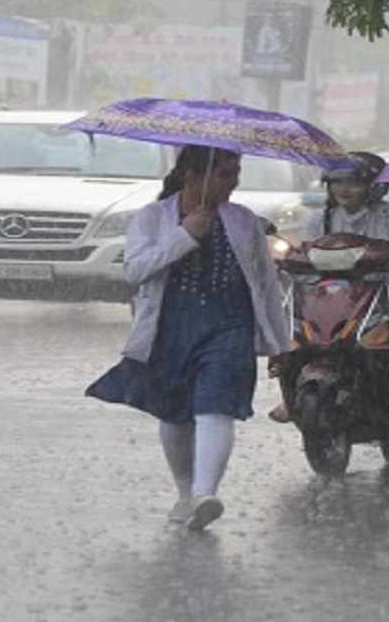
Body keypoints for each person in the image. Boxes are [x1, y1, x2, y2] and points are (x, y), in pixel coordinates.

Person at [85, 145, 290, 531]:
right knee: (176, 415)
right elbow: (135, 271)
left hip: (230, 327)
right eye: (226, 173)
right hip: (172, 328)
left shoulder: (244, 222)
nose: (235, 181)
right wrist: (185, 235)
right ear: (195, 175)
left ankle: (204, 494)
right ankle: (185, 492)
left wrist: (281, 346)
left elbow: (266, 285)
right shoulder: (152, 218)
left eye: (237, 172)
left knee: (216, 407)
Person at [266, 151, 389, 430]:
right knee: (296, 328)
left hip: (383, 290)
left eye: (353, 182)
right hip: (328, 292)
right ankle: (290, 394)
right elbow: (306, 252)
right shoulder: (320, 219)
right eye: (337, 182)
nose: (344, 189)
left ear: (374, 185)